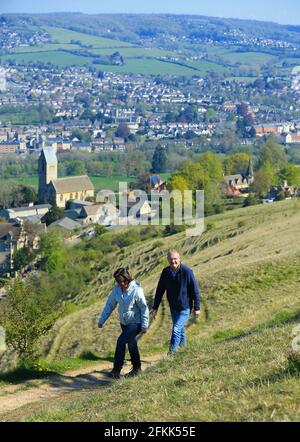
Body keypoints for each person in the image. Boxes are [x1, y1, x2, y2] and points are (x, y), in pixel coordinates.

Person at [98, 268, 149, 379]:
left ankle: (116, 370)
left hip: (136, 322)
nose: (121, 285)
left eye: (123, 282)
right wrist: (102, 320)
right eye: (119, 282)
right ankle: (137, 369)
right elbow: (109, 305)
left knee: (121, 341)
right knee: (131, 345)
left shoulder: (137, 290)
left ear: (127, 279)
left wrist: (144, 325)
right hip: (124, 323)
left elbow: (144, 308)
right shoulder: (116, 290)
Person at [151, 249, 200, 355]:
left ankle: (171, 355)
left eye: (175, 259)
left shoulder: (187, 271)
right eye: (171, 259)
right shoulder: (165, 272)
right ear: (168, 259)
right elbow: (160, 290)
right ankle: (185, 350)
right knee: (180, 330)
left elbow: (195, 290)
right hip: (173, 308)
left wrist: (197, 307)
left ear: (179, 258)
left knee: (176, 329)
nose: (173, 261)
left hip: (185, 308)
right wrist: (155, 307)